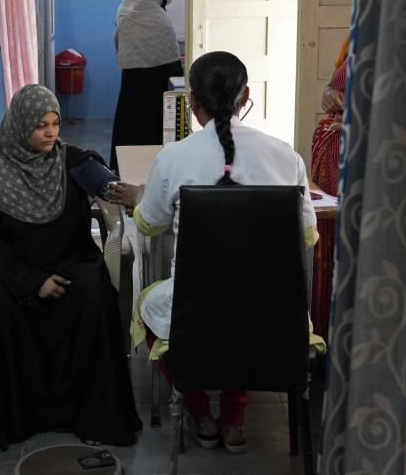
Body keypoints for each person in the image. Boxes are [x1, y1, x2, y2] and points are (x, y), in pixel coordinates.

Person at [110, 52, 322, 453]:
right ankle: (234, 417)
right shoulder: (285, 156)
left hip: (197, 310)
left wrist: (139, 198)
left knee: (150, 304)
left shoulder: (173, 157)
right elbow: (308, 235)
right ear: (245, 99)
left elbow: (148, 224)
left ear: (192, 101)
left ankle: (198, 412)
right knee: (245, 307)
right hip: (274, 315)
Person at [0, 85, 142, 450]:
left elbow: (104, 182)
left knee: (94, 293)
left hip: (70, 260)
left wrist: (122, 190)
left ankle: (93, 416)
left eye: (55, 123)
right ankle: (10, 420)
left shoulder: (73, 161)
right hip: (11, 269)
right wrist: (31, 282)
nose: (50, 133)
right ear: (19, 127)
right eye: (40, 126)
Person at [111, 0, 183, 171]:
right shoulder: (162, 21)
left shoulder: (127, 19)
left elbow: (119, 47)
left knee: (129, 127)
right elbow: (172, 61)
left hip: (132, 86)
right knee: (152, 130)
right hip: (155, 88)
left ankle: (125, 168)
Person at [309, 36, 349, 342]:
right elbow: (334, 83)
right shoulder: (357, 34)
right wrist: (329, 96)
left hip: (360, 156)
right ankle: (324, 345)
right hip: (334, 156)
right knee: (328, 246)